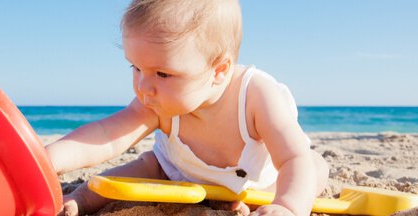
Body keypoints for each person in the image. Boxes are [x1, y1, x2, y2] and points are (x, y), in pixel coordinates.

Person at [45, 0, 329, 215]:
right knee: (146, 166)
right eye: (136, 68)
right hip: (177, 174)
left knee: (313, 166)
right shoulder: (157, 102)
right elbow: (104, 135)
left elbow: (294, 159)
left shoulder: (256, 96)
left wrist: (289, 207)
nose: (144, 86)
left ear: (219, 70)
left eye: (163, 74)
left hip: (259, 182)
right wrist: (47, 159)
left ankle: (267, 199)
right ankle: (79, 199)